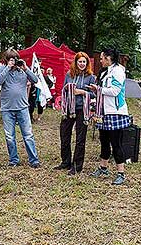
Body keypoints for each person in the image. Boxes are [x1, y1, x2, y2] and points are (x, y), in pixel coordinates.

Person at [88, 49, 131, 185]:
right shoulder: (103, 71)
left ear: (108, 58)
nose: (100, 61)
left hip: (115, 112)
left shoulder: (118, 71)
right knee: (104, 140)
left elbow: (115, 91)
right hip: (103, 111)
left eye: (102, 58)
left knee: (116, 143)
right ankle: (103, 167)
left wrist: (98, 90)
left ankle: (121, 173)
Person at [0, 48, 41, 168]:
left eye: (15, 59)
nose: (13, 61)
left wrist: (25, 68)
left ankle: (34, 160)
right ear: (6, 60)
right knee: (9, 136)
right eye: (10, 59)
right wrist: (7, 68)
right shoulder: (2, 69)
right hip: (7, 108)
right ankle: (13, 160)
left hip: (22, 107)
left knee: (28, 134)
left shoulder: (23, 69)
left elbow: (35, 80)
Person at [54, 52, 95, 175]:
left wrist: (82, 92)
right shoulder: (69, 74)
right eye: (80, 61)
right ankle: (65, 161)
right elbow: (64, 89)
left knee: (80, 138)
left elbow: (94, 94)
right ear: (75, 62)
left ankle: (77, 165)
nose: (82, 64)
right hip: (69, 108)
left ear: (87, 63)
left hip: (82, 108)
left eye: (84, 62)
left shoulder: (91, 77)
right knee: (64, 134)